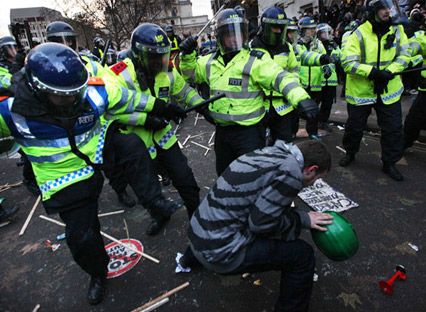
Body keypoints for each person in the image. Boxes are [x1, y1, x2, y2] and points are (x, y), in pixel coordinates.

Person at [0, 43, 182, 305]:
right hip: (66, 179)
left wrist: (161, 108)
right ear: (38, 90)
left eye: (77, 93)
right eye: (63, 96)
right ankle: (98, 273)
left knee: (131, 145)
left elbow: (128, 98)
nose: (73, 101)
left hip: (97, 149)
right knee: (82, 239)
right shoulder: (12, 112)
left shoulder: (92, 94)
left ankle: (155, 202)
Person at [179, 140, 333, 312]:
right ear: (311, 169)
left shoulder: (269, 152)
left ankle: (186, 260)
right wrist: (303, 220)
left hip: (198, 233)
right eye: (317, 179)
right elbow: (261, 225)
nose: (313, 184)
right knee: (302, 255)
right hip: (219, 252)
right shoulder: (291, 173)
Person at [179, 7, 318, 175]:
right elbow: (190, 75)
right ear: (220, 36)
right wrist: (186, 56)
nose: (234, 38)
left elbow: (280, 77)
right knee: (224, 175)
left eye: (238, 33)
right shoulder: (208, 62)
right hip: (222, 133)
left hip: (249, 134)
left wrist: (301, 98)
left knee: (251, 178)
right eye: (229, 34)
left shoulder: (256, 60)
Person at [105, 23, 203, 235]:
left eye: (163, 55)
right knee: (149, 191)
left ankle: (196, 217)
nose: (160, 61)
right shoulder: (119, 73)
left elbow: (183, 91)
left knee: (185, 178)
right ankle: (160, 215)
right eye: (154, 57)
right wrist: (145, 119)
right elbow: (110, 109)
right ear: (139, 55)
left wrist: (201, 105)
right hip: (138, 147)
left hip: (165, 138)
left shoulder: (165, 70)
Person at [46, 21, 134, 207]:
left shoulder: (90, 65)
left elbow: (111, 86)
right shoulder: (46, 71)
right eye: (60, 41)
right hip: (68, 129)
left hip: (97, 126)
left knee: (111, 163)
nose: (67, 46)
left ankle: (121, 190)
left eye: (69, 41)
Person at [339, 0, 411, 181]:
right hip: (361, 91)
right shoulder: (357, 34)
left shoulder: (397, 30)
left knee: (393, 129)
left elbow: (405, 55)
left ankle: (389, 163)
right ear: (373, 11)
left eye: (390, 7)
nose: (389, 12)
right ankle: (350, 152)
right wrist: (373, 73)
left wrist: (389, 72)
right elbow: (348, 63)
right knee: (355, 127)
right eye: (384, 9)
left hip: (389, 89)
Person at [251, 6, 307, 143]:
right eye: (275, 28)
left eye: (281, 28)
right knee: (257, 145)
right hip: (259, 105)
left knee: (284, 144)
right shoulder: (251, 48)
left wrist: (292, 93)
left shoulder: (287, 48)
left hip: (282, 105)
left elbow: (294, 71)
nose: (278, 31)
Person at [297, 17, 329, 140]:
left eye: (312, 29)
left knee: (314, 111)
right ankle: (293, 133)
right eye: (308, 29)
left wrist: (327, 68)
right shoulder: (296, 44)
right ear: (302, 31)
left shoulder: (318, 44)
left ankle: (312, 133)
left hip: (315, 83)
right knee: (296, 112)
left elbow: (324, 58)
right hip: (301, 84)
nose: (312, 32)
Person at [317, 23, 342, 132]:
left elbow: (340, 56)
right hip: (318, 79)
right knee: (316, 102)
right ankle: (314, 122)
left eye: (328, 32)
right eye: (324, 32)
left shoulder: (333, 44)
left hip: (331, 79)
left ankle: (323, 121)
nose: (327, 34)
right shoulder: (316, 44)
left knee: (328, 103)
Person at [404, 28, 426, 149]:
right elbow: (412, 46)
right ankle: (404, 143)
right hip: (424, 91)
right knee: (414, 120)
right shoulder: (422, 37)